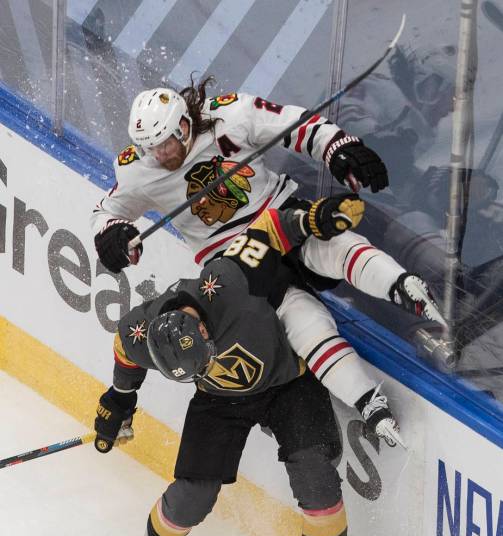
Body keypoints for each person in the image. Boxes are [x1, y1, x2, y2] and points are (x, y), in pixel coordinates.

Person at [92, 197, 443, 536]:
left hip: (288, 382)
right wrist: (120, 400)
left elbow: (270, 227)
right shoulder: (144, 329)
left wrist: (313, 216)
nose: (211, 360)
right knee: (191, 496)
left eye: (207, 356)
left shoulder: (232, 280)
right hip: (220, 400)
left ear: (202, 328)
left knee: (316, 479)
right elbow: (125, 352)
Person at [90, 78, 441, 447]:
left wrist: (338, 146)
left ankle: (403, 287)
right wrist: (111, 233)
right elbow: (106, 211)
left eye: (163, 144)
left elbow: (296, 125)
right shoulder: (138, 169)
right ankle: (368, 401)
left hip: (280, 212)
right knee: (302, 320)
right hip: (233, 262)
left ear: (183, 125)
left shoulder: (231, 114)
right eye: (149, 148)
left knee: (334, 247)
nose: (158, 155)